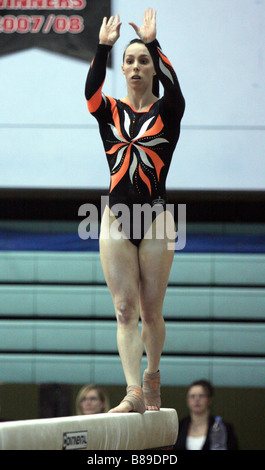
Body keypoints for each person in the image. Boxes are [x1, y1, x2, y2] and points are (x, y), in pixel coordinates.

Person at [85, 8, 185, 413]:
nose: (137, 66)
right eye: (130, 61)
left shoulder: (168, 111)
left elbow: (176, 88)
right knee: (124, 309)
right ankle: (132, 391)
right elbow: (90, 91)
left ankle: (152, 375)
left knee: (150, 310)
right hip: (115, 218)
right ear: (122, 69)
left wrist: (154, 43)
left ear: (152, 68)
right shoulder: (108, 109)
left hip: (157, 219)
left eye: (143, 60)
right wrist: (102, 47)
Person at [174, 380, 239, 450]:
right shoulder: (178, 427)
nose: (197, 399)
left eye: (201, 396)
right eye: (192, 396)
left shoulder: (223, 427)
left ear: (209, 399)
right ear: (187, 400)